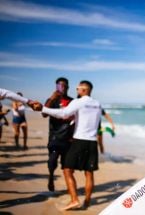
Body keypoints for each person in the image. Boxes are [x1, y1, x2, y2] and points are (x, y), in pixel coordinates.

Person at [39, 80, 102, 210]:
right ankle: (87, 202)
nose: (76, 90)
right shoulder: (97, 104)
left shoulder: (77, 102)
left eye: (78, 88)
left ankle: (74, 200)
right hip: (92, 142)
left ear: (84, 89)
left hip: (79, 140)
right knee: (89, 173)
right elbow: (90, 120)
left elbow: (63, 114)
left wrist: (43, 108)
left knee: (67, 169)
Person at [42, 77, 74, 192]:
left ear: (68, 87)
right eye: (60, 86)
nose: (63, 88)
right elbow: (44, 114)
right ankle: (51, 177)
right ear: (56, 87)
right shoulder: (52, 100)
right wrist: (51, 98)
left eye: (65, 86)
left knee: (67, 167)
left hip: (68, 138)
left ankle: (70, 190)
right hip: (55, 137)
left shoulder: (72, 101)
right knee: (52, 161)